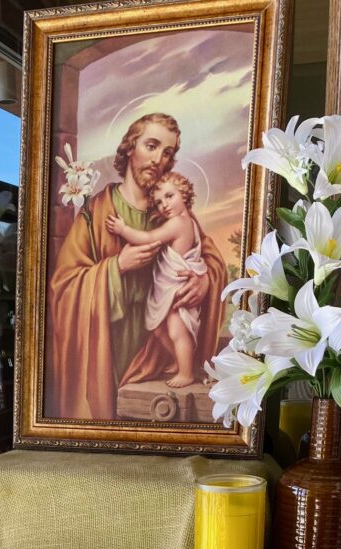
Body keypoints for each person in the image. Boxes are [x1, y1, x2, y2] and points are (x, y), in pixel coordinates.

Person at [47, 112, 226, 420]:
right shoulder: (97, 211)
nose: (159, 159)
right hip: (108, 353)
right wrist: (116, 267)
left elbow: (211, 261)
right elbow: (63, 286)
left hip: (157, 360)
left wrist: (205, 282)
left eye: (167, 152)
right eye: (151, 146)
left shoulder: (172, 216)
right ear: (130, 147)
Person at [106, 171, 206, 388]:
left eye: (170, 196)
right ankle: (179, 362)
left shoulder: (178, 223)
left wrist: (123, 229)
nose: (164, 205)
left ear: (185, 194)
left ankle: (187, 372)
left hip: (175, 289)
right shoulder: (182, 221)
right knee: (160, 329)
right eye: (159, 202)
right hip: (169, 286)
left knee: (176, 330)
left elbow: (149, 239)